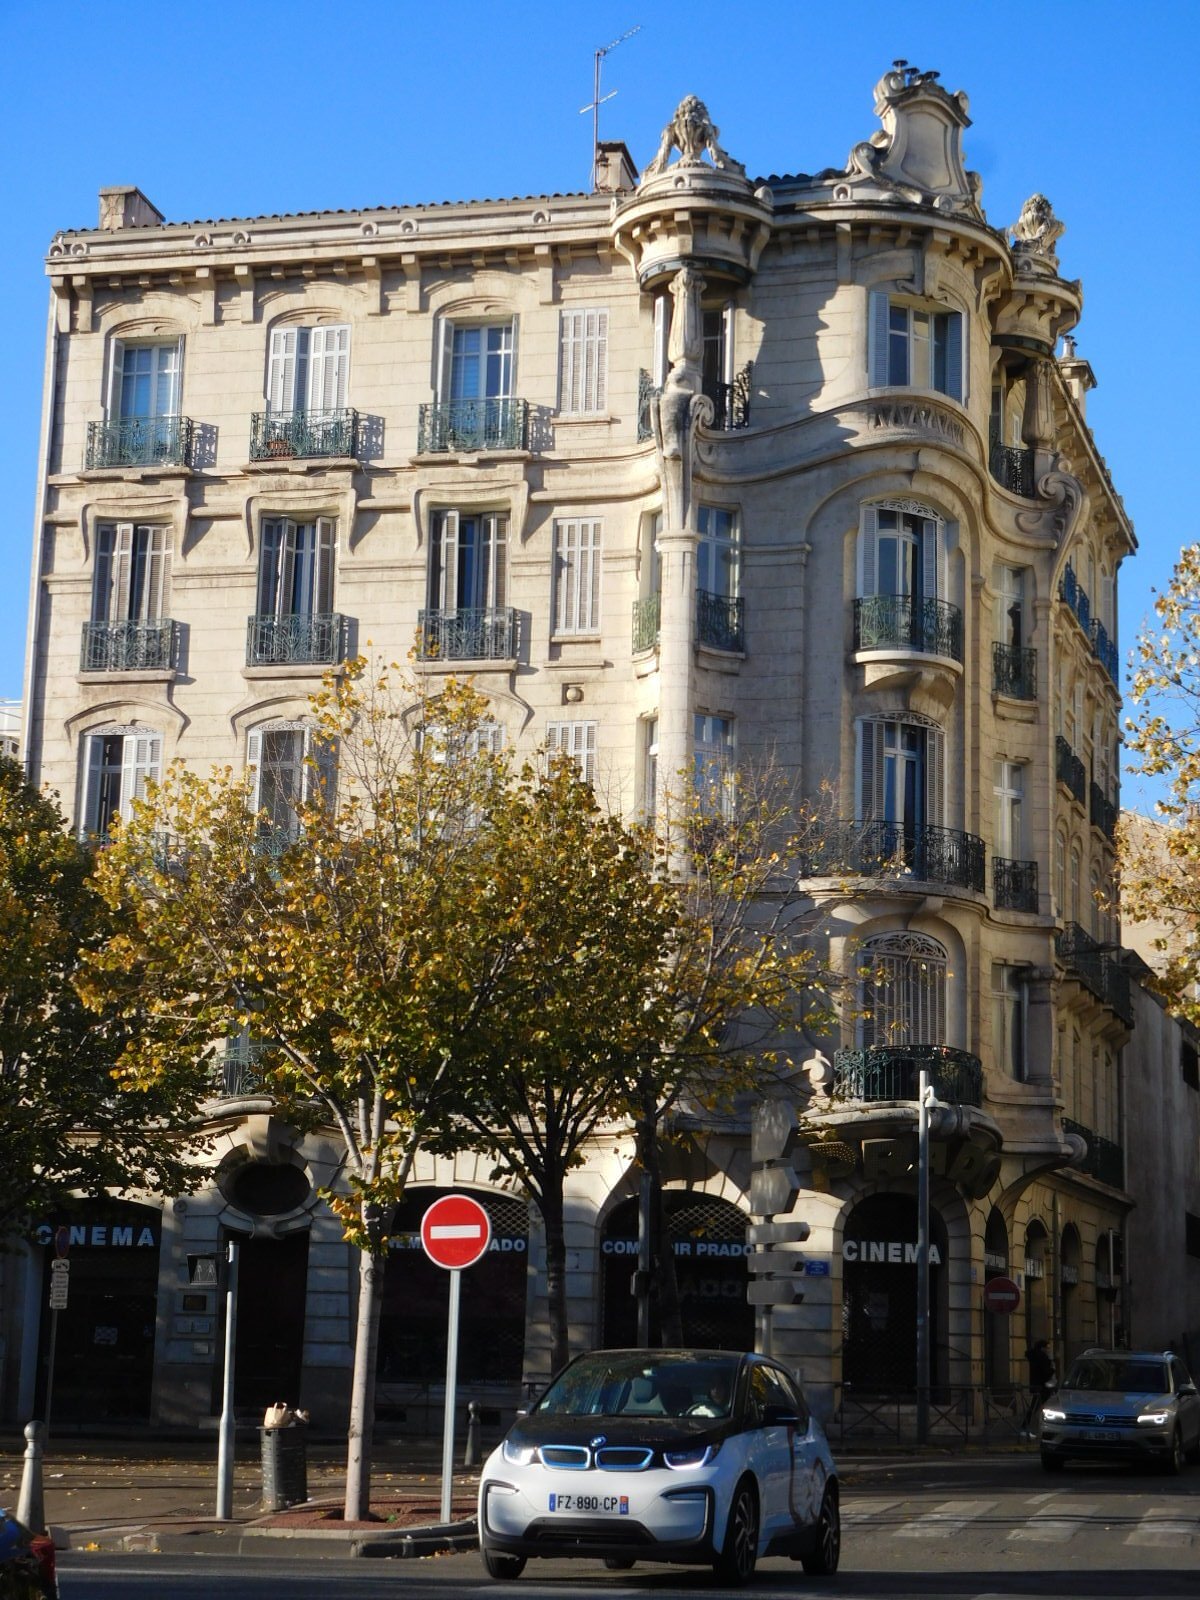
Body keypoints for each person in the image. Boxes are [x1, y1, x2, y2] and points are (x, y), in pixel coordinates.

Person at [1023, 1339, 1056, 1437]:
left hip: (1036, 1385)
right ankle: (1029, 1427)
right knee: (1041, 1407)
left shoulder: (1033, 1356)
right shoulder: (1042, 1358)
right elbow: (1046, 1372)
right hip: (1043, 1386)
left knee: (1035, 1407)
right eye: (1047, 1347)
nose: (1048, 1350)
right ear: (1042, 1348)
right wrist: (1052, 1369)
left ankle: (1027, 1427)